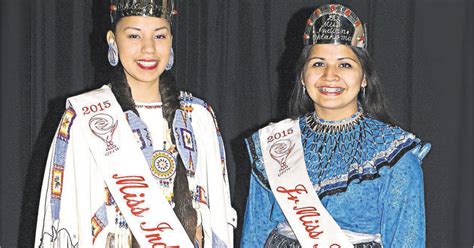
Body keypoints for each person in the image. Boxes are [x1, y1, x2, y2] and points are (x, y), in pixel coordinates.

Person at [34, 0, 236, 247]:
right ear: (112, 40)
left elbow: (217, 218)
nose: (148, 49)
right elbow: (65, 218)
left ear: (171, 39)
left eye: (159, 36)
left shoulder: (198, 117)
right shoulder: (86, 117)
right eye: (134, 36)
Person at [241, 4, 430, 248]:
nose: (330, 75)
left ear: (364, 77)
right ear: (302, 75)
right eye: (318, 63)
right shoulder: (274, 145)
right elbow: (254, 235)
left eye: (345, 64)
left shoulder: (396, 156)